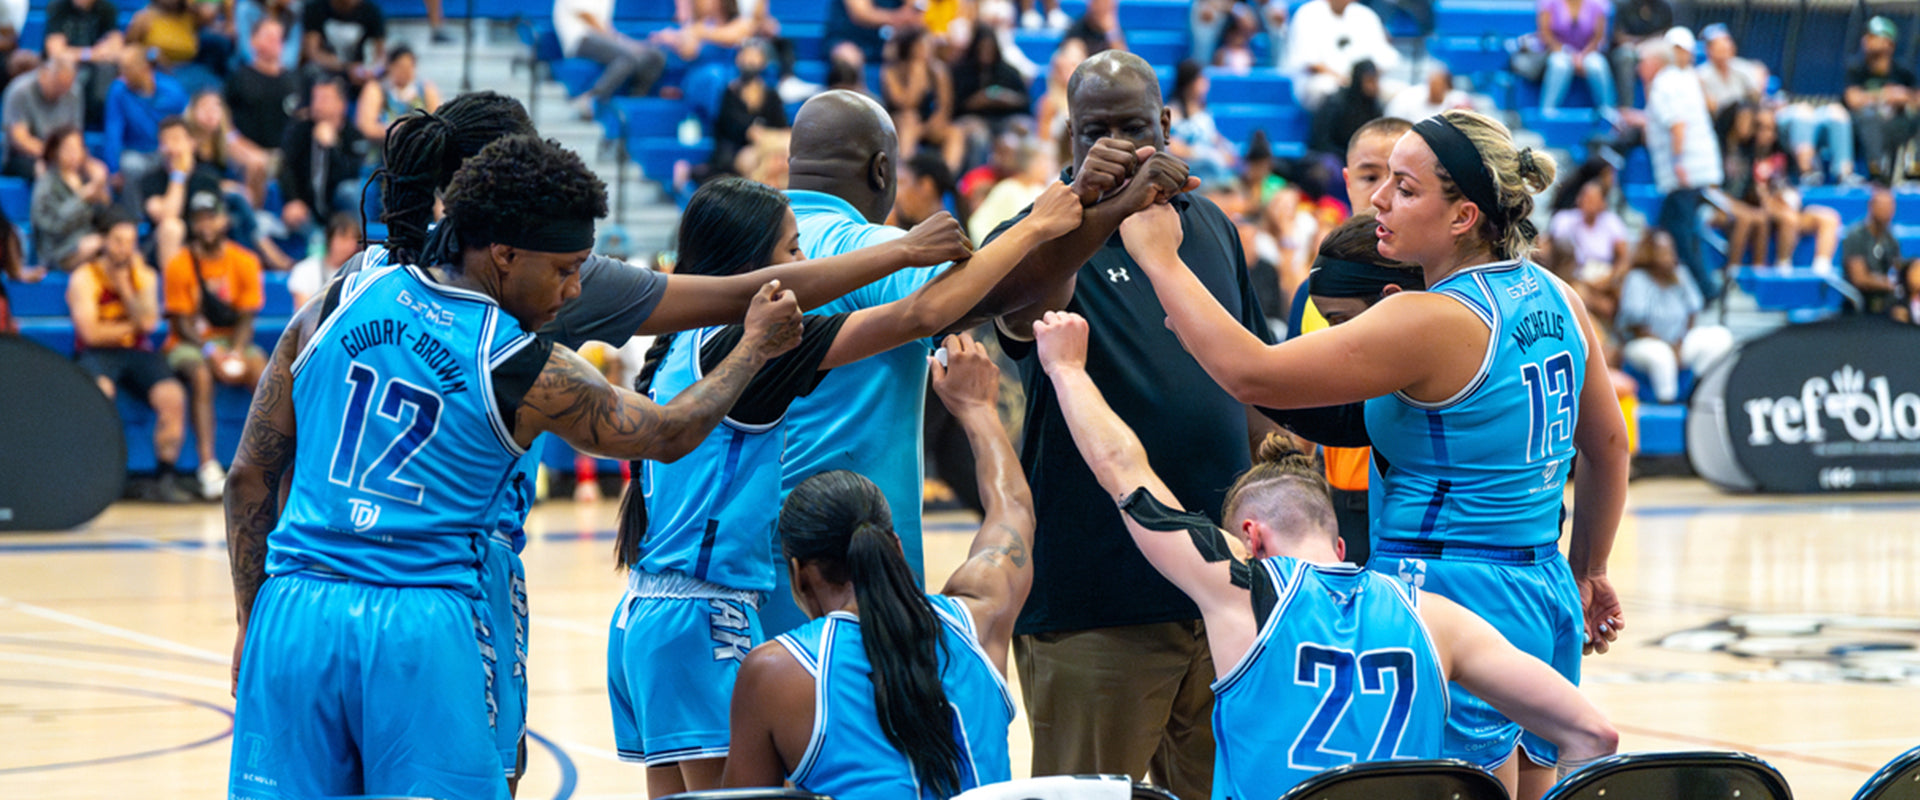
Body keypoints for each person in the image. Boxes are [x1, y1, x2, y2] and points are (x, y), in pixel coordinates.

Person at [223, 133, 806, 800]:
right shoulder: (519, 364)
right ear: (502, 254)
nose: (574, 287)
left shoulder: (335, 301)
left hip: (292, 615)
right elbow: (668, 433)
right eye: (563, 268)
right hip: (418, 625)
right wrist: (753, 347)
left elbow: (248, 477)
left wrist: (250, 619)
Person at [1120, 109, 1629, 800]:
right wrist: (1589, 568)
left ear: (1463, 217)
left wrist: (1158, 256)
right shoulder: (1558, 296)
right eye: (1383, 180)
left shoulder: (1431, 317)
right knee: (1534, 782)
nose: (1380, 200)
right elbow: (1607, 446)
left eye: (1406, 188)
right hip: (1542, 587)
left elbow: (1253, 374)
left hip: (1449, 587)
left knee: (1457, 790)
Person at [604, 176, 1076, 796]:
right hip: (704, 617)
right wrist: (1036, 226)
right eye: (794, 251)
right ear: (751, 270)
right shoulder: (760, 347)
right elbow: (923, 313)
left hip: (640, 615)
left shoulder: (677, 350)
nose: (806, 268)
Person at [1034, 309, 1619, 800]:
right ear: (1340, 546)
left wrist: (1066, 369)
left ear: (1250, 537)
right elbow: (1593, 736)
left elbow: (1127, 478)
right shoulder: (1437, 618)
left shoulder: (1244, 591)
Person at [981, 48, 1275, 800]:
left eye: (1133, 128)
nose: (1114, 147)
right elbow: (1019, 309)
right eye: (1094, 131)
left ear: (1168, 125)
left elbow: (1243, 375)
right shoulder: (1039, 231)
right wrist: (1101, 203)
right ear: (1069, 140)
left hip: (1221, 594)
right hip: (1094, 602)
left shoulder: (1208, 224)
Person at [720, 332, 1035, 800]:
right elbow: (1013, 510)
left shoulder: (775, 672)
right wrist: (978, 410)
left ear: (799, 574)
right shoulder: (979, 619)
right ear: (896, 546)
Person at [70, 210, 196, 503]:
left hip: (136, 352)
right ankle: (97, 478)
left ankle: (164, 476)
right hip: (96, 353)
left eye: (130, 241)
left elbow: (149, 324)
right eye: (117, 241)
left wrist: (126, 290)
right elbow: (91, 334)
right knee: (101, 392)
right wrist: (131, 325)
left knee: (172, 396)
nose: (124, 248)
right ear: (103, 241)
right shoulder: (85, 277)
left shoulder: (145, 276)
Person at [1641, 35, 1726, 300]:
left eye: (1642, 62)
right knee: (1675, 229)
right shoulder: (1686, 77)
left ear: (1655, 62)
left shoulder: (1663, 85)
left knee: (1680, 234)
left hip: (1683, 173)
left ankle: (1706, 290)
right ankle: (1696, 289)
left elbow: (1678, 125)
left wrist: (1679, 164)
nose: (1638, 68)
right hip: (1700, 168)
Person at [1615, 229, 1733, 402]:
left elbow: (1693, 310)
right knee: (1661, 355)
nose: (1667, 256)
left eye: (1669, 250)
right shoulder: (1637, 278)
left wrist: (1680, 342)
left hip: (1678, 342)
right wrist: (1669, 347)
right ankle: (1667, 404)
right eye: (1661, 251)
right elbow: (1635, 325)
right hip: (1643, 343)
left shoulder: (1680, 274)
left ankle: (1698, 392)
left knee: (1721, 337)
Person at [1746, 106, 1841, 272]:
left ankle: (1820, 270)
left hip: (1790, 207)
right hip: (1762, 209)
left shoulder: (1784, 155)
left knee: (1829, 218)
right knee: (1789, 218)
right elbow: (1750, 194)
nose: (1766, 134)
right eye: (1761, 128)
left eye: (1771, 129)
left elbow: (1794, 186)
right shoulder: (1747, 157)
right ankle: (1783, 267)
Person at [139, 116, 223, 286]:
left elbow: (216, 218)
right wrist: (178, 176)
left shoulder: (208, 178)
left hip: (201, 241)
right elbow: (166, 215)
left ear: (191, 143)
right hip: (161, 248)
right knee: (172, 227)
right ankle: (174, 295)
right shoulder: (150, 180)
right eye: (165, 142)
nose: (171, 147)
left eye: (176, 139)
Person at [552, 0, 666, 120]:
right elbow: (588, 17)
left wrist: (627, 43)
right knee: (627, 57)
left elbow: (606, 26)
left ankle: (634, 104)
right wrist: (623, 43)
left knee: (654, 56)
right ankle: (590, 99)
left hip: (606, 39)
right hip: (581, 39)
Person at [278, 77, 364, 232]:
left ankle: (357, 242)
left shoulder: (353, 135)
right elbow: (286, 166)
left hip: (339, 213)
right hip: (306, 209)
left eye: (324, 99)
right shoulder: (300, 129)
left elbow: (351, 173)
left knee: (350, 190)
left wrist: (332, 148)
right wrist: (293, 200)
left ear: (341, 104)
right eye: (315, 98)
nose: (317, 105)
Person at [1285, 0, 1400, 111]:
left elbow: (1385, 57)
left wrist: (1368, 78)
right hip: (1324, 80)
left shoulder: (1365, 15)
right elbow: (1310, 62)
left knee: (1399, 94)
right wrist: (1345, 80)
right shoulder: (1308, 13)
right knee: (1327, 88)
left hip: (1364, 80)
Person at [881, 28, 966, 173]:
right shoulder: (891, 71)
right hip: (899, 121)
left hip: (928, 123)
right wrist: (916, 76)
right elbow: (906, 104)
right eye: (922, 45)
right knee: (909, 119)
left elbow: (945, 106)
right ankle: (905, 171)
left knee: (955, 133)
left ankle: (946, 177)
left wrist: (934, 122)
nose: (927, 49)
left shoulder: (938, 70)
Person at [1845, 16, 1918, 183]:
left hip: (1896, 124)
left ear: (1889, 43)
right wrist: (1883, 95)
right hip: (1864, 127)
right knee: (1870, 117)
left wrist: (1904, 96)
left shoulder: (1902, 71)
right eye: (1866, 36)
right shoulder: (1857, 69)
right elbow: (1853, 99)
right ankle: (1877, 172)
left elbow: (1916, 98)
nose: (1866, 40)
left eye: (1873, 36)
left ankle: (1916, 170)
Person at [31, 126, 111, 271]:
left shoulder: (85, 178)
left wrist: (102, 194)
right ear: (55, 151)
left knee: (117, 245)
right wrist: (81, 198)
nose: (74, 153)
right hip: (58, 250)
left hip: (89, 240)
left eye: (78, 147)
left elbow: (101, 219)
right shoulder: (46, 183)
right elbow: (52, 225)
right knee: (97, 245)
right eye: (68, 148)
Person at [104, 45, 190, 177]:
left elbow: (186, 124)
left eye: (127, 69)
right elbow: (113, 132)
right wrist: (114, 170)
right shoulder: (118, 91)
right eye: (121, 69)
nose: (122, 75)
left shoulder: (172, 90)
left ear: (144, 68)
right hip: (136, 152)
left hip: (165, 150)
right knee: (130, 165)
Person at [1, 54, 84, 179]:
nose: (62, 92)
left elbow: (75, 134)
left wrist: (73, 155)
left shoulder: (74, 91)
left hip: (61, 153)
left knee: (96, 172)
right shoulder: (19, 91)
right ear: (44, 75)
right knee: (47, 171)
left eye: (66, 88)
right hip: (22, 156)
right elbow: (20, 138)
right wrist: (53, 154)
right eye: (58, 86)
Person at [224, 16, 299, 153]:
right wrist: (239, 145)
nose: (275, 40)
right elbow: (224, 118)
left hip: (286, 155)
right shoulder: (240, 77)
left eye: (279, 36)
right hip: (248, 152)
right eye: (268, 35)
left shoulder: (295, 79)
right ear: (253, 40)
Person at [44, 0, 124, 124]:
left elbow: (116, 48)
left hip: (96, 67)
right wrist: (92, 53)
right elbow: (56, 52)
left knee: (107, 70)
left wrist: (75, 54)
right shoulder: (58, 7)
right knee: (68, 70)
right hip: (67, 65)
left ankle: (98, 120)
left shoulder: (106, 9)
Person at [1840, 184, 1912, 315]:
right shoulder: (1856, 236)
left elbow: (1897, 270)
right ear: (1871, 207)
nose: (1888, 211)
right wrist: (1888, 284)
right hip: (1861, 301)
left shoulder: (1891, 239)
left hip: (1886, 299)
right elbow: (1859, 278)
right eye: (1883, 207)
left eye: (1890, 206)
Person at [355, 43, 440, 153]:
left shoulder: (426, 89)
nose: (405, 72)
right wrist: (394, 130)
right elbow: (366, 126)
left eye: (409, 67)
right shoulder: (376, 89)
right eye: (400, 66)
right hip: (382, 151)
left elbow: (438, 122)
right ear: (390, 66)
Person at [1167, 60, 1239, 188]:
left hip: (1211, 169)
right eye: (1201, 79)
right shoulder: (1172, 113)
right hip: (1191, 170)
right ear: (1189, 82)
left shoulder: (1204, 113)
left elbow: (1216, 139)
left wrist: (1226, 151)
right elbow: (1173, 147)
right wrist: (1205, 154)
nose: (1206, 83)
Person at [1537, 0, 1616, 111]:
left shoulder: (1598, 3)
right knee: (1559, 65)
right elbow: (1545, 34)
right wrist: (1567, 52)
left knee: (1597, 66)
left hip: (1588, 52)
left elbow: (1599, 37)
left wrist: (1582, 56)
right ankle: (1547, 110)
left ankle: (1608, 111)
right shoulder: (1549, 2)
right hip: (1558, 50)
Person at [952, 29, 1029, 135]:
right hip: (974, 118)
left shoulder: (1008, 72)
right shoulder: (961, 73)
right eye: (982, 48)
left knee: (1016, 134)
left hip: (1005, 118)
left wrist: (1007, 99)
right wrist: (975, 101)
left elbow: (1024, 101)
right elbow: (955, 105)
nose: (986, 52)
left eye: (990, 48)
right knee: (977, 135)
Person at [1309, 60, 1383, 159]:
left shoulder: (1374, 106)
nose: (1374, 86)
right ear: (1358, 80)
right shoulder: (1336, 102)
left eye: (1376, 80)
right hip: (1332, 154)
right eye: (1369, 80)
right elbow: (1322, 140)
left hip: (1360, 157)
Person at [301, 0, 385, 86]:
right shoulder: (315, 9)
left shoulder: (372, 12)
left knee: (375, 86)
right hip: (326, 70)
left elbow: (381, 58)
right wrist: (345, 67)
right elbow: (312, 53)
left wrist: (372, 71)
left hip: (359, 73)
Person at [287, 211, 356, 307]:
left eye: (353, 239)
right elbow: (305, 313)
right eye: (343, 238)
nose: (348, 245)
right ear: (329, 238)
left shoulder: (359, 273)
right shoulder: (304, 269)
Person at [825, 0, 921, 64]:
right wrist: (899, 18)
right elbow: (861, 14)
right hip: (849, 38)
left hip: (890, 40)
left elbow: (914, 9)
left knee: (920, 52)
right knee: (848, 57)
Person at [1384, 61, 1472, 122]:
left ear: (1447, 85)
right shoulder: (1406, 99)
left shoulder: (1458, 101)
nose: (1435, 88)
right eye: (1432, 83)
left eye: (1439, 84)